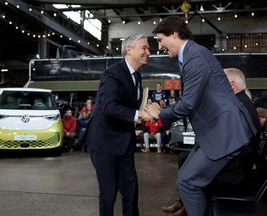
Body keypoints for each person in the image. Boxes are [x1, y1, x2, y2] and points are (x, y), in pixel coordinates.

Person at [144, 16, 257, 216]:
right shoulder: (192, 55)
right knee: (186, 175)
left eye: (160, 40)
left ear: (175, 34)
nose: (159, 47)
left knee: (187, 182)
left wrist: (160, 113)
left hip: (224, 132)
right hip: (217, 131)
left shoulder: (194, 56)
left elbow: (188, 103)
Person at [162, 67, 261, 216]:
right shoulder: (241, 103)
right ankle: (187, 204)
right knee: (187, 160)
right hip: (236, 163)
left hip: (234, 171)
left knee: (189, 180)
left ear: (231, 85)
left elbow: (224, 141)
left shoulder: (237, 107)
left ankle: (191, 207)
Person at [84, 34, 151, 216]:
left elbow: (128, 107)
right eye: (144, 48)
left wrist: (142, 114)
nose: (148, 52)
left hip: (125, 140)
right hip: (104, 142)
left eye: (148, 48)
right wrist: (137, 114)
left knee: (131, 191)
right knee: (108, 193)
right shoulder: (112, 73)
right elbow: (108, 107)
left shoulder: (137, 76)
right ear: (129, 50)